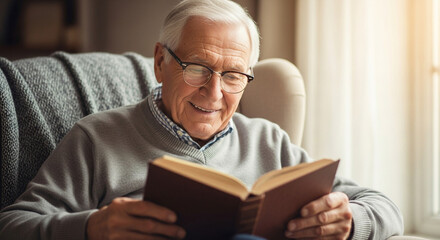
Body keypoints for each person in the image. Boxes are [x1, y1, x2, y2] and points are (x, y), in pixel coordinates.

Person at [0, 0, 403, 239]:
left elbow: (385, 207)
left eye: (232, 76)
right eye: (196, 68)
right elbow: (13, 224)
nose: (214, 93)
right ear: (161, 62)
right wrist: (91, 228)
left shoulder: (269, 141)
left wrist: (351, 222)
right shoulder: (97, 138)